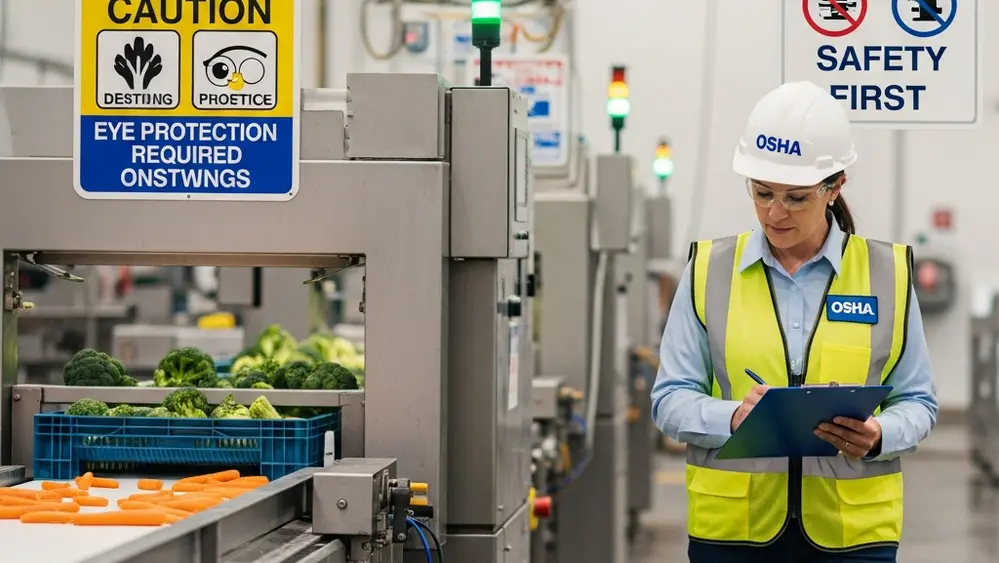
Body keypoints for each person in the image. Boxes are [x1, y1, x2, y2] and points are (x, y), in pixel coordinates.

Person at [650, 81, 938, 563]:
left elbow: (918, 400)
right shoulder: (709, 271)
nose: (774, 213)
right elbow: (669, 399)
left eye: (796, 198)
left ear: (834, 188)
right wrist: (733, 418)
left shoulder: (886, 275)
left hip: (853, 537)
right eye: (762, 193)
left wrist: (880, 436)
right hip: (733, 533)